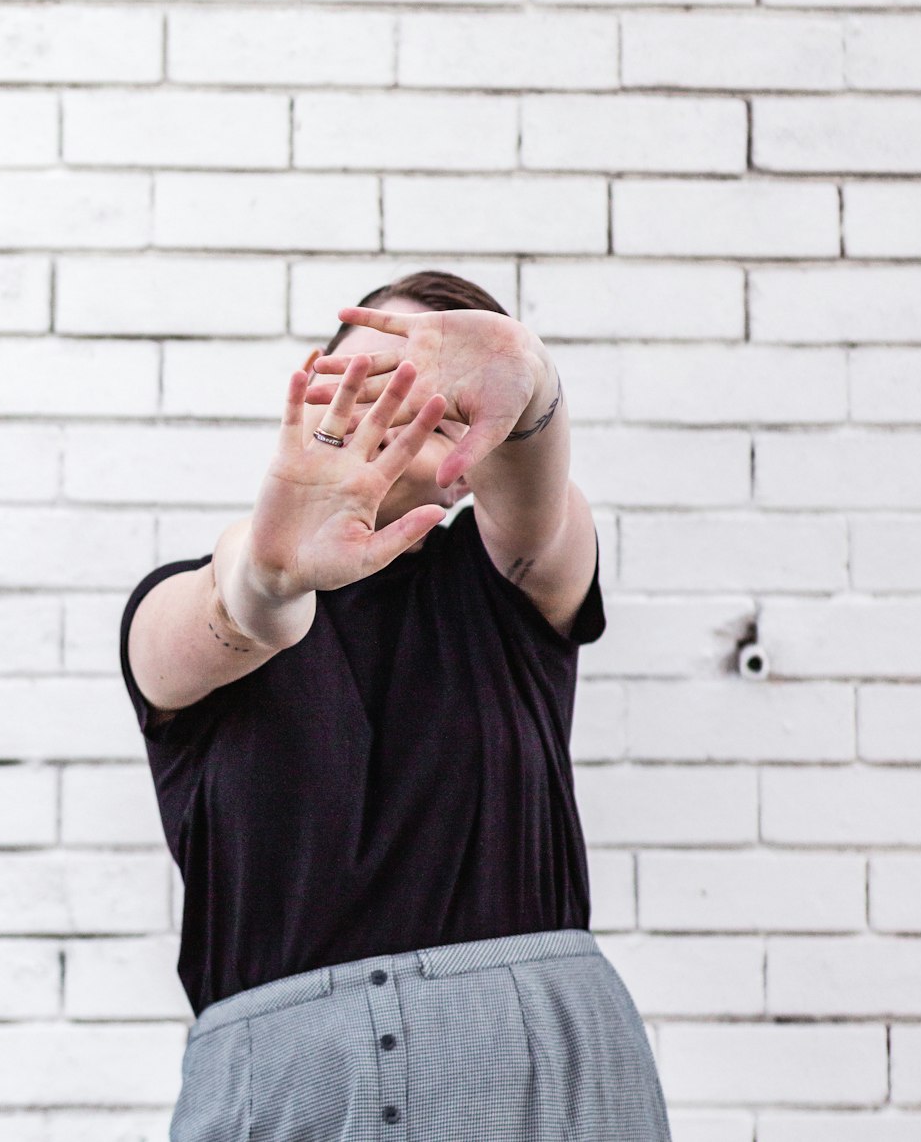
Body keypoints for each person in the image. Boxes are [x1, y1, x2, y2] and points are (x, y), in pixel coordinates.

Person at [119, 270, 673, 1140]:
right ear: (313, 393)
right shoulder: (195, 596)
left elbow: (537, 512)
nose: (408, 395)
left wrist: (530, 383)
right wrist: (269, 572)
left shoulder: (512, 584)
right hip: (290, 1098)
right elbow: (239, 604)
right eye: (380, 371)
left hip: (540, 1084)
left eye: (445, 383)